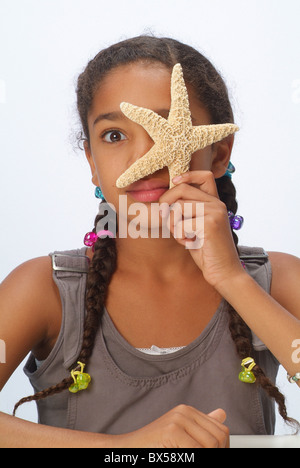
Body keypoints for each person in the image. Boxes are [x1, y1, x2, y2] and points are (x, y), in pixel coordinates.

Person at [0, 35, 299, 448]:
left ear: (217, 152)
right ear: (91, 163)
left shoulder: (278, 279)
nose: (143, 161)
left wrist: (232, 278)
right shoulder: (42, 289)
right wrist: (128, 450)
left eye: (167, 128)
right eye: (114, 136)